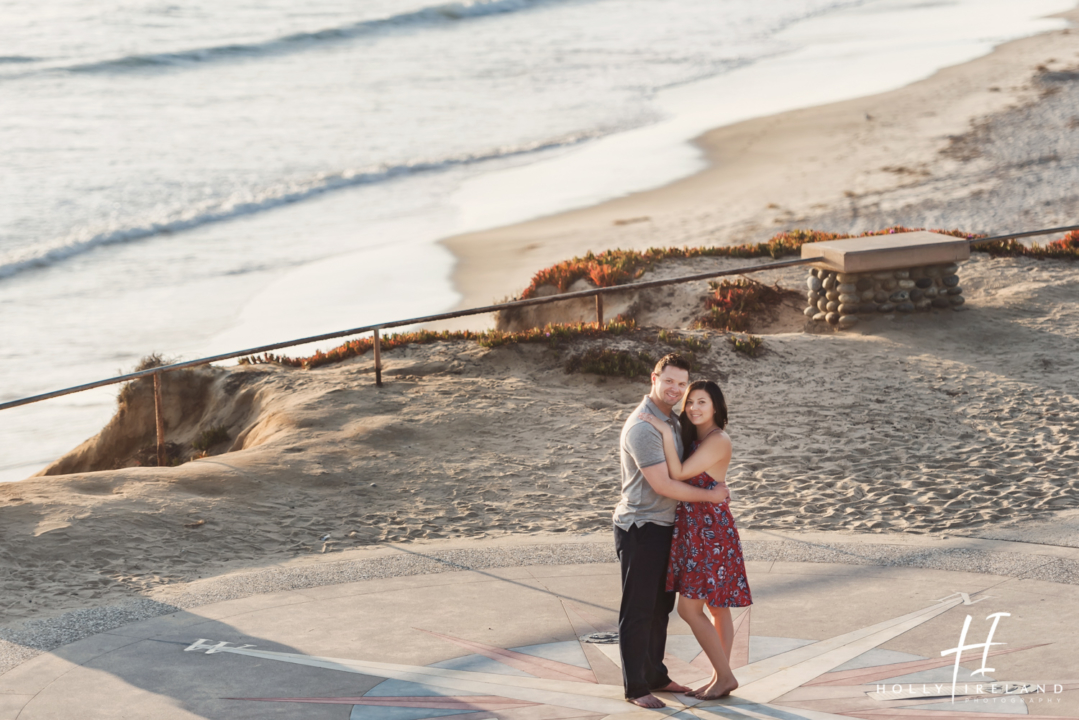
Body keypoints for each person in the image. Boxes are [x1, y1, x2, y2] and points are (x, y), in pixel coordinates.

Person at [613, 355, 731, 709]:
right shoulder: (644, 427)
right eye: (670, 382)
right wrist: (711, 495)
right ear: (654, 378)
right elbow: (664, 484)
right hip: (642, 526)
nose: (676, 390)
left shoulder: (672, 421)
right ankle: (636, 687)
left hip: (669, 528)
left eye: (682, 384)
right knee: (637, 609)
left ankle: (655, 675)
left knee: (660, 608)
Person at [639, 379, 751, 700]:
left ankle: (725, 676)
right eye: (690, 403)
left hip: (710, 532)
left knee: (691, 610)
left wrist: (661, 432)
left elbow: (678, 474)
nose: (694, 408)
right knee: (717, 608)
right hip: (695, 528)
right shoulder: (696, 439)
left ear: (716, 406)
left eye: (702, 402)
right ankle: (720, 677)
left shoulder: (718, 440)